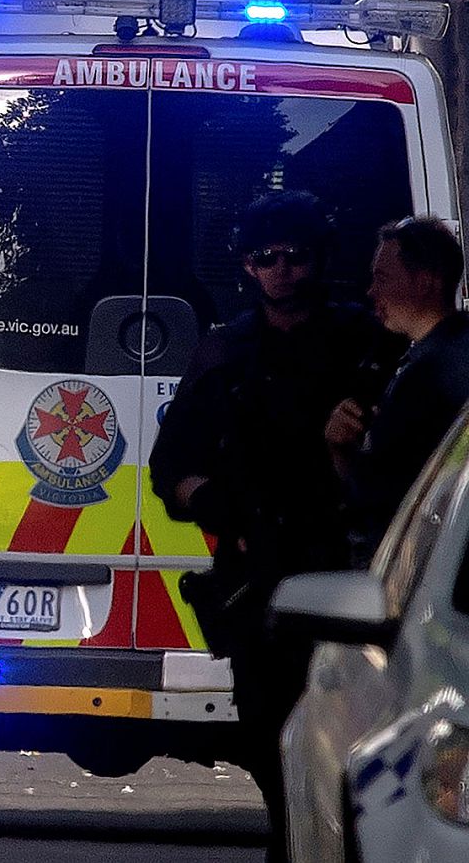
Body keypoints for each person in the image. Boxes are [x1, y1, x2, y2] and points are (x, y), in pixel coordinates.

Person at [149, 191, 397, 863]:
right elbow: (170, 466)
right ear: (246, 266)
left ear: (319, 259)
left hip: (344, 570)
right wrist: (208, 499)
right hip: (256, 576)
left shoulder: (366, 344)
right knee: (264, 731)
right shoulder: (224, 353)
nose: (282, 269)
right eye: (266, 257)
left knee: (351, 737)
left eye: (296, 256)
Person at [327, 216, 469, 562]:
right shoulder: (424, 355)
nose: (371, 292)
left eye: (382, 278)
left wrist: (340, 450)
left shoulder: (439, 372)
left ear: (424, 283)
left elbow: (382, 493)